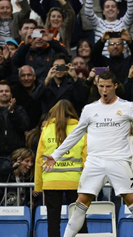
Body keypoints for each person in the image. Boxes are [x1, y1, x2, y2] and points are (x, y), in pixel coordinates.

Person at [42, 71, 133, 237]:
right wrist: (55, 155)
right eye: (101, 86)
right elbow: (76, 134)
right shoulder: (90, 109)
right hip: (95, 162)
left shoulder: (127, 107)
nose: (104, 90)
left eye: (107, 86)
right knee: (81, 202)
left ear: (115, 86)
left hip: (119, 161)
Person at [35, 100, 88, 237]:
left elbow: (39, 158)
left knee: (53, 221)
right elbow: (86, 158)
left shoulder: (46, 129)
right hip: (75, 181)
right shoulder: (80, 129)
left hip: (51, 180)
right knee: (79, 220)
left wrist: (39, 185)